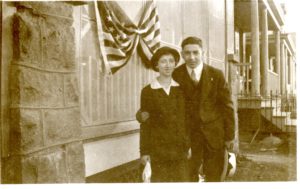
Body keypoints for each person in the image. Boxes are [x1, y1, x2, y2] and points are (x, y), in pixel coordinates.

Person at [138, 37, 235, 182]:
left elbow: (227, 107)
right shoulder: (175, 75)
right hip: (188, 139)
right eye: (187, 53)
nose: (192, 57)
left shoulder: (216, 75)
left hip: (214, 136)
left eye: (196, 52)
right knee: (188, 178)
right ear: (182, 55)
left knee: (215, 176)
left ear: (203, 52)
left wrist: (229, 136)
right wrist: (141, 114)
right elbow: (160, 102)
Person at [139, 46, 190, 182]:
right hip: (157, 151)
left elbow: (186, 121)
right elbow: (145, 125)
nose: (168, 65)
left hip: (179, 151)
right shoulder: (148, 91)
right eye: (163, 61)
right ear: (156, 65)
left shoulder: (181, 90)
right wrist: (144, 152)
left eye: (171, 61)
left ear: (175, 64)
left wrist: (188, 146)